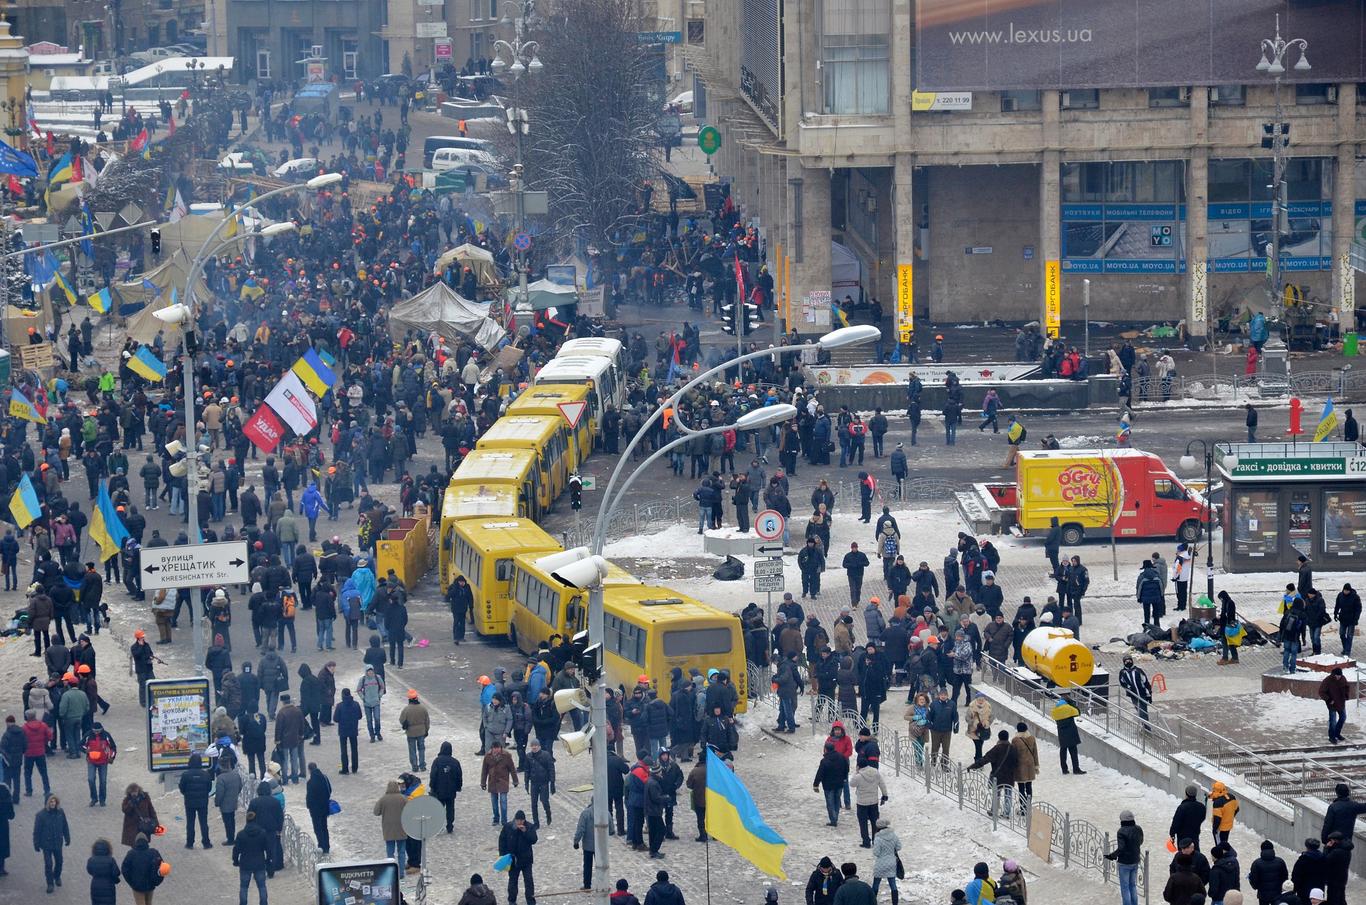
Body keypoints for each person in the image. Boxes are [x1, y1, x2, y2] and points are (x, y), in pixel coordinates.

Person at [499, 809, 539, 905]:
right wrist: (503, 856)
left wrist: (525, 832)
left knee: (529, 881)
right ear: (515, 820)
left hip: (526, 860)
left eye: (522, 820)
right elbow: (502, 841)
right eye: (518, 820)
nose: (520, 822)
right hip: (513, 860)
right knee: (513, 881)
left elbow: (534, 839)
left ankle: (530, 900)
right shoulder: (508, 827)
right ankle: (512, 900)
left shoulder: (529, 826)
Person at [1104, 809, 1144, 905]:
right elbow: (1141, 841)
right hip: (1135, 860)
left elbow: (1121, 848)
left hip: (1124, 863)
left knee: (1125, 888)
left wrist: (1112, 856)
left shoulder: (1121, 831)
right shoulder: (1138, 829)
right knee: (1133, 886)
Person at [33, 793, 70, 893]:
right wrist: (36, 844)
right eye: (51, 802)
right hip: (47, 844)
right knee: (48, 864)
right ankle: (50, 883)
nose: (52, 803)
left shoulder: (60, 812)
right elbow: (36, 831)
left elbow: (65, 826)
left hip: (58, 842)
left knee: (59, 862)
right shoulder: (40, 815)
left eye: (54, 801)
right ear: (47, 803)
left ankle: (57, 876)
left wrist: (67, 838)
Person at [849, 757, 888, 848]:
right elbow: (882, 784)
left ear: (859, 766)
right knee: (875, 822)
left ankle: (866, 841)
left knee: (863, 823)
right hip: (873, 802)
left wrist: (856, 772)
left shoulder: (858, 776)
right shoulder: (875, 772)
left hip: (862, 803)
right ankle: (876, 840)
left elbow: (852, 784)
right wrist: (884, 795)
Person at [178, 751, 214, 849]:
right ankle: (206, 843)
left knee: (190, 823)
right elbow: (209, 788)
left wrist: (186, 794)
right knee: (203, 823)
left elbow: (181, 788)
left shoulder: (186, 775)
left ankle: (190, 843)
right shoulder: (206, 774)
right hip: (203, 802)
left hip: (189, 802)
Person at [121, 832, 164, 905]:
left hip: (137, 887)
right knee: (149, 903)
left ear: (136, 842)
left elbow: (124, 870)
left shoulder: (131, 854)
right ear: (147, 841)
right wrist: (156, 881)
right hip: (150, 885)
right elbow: (162, 868)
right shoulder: (154, 852)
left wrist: (131, 882)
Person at [813, 740, 850, 826]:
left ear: (825, 749)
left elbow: (820, 773)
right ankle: (835, 817)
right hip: (839, 784)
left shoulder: (824, 761)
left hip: (828, 786)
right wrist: (844, 778)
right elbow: (846, 768)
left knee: (830, 803)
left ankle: (833, 820)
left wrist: (816, 785)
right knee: (837, 801)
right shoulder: (841, 757)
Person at [482, 740, 518, 826]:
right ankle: (496, 818)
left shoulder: (506, 756)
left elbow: (512, 769)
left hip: (503, 782)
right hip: (492, 782)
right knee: (494, 803)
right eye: (495, 748)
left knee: (503, 802)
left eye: (498, 748)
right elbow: (484, 771)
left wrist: (515, 780)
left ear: (500, 748)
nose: (496, 750)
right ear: (492, 748)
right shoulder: (488, 756)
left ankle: (504, 820)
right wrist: (483, 782)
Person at [374, 780, 408, 871]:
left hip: (388, 829)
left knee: (390, 852)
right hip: (401, 828)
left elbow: (376, 812)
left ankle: (392, 871)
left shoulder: (383, 799)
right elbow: (410, 811)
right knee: (401, 852)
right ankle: (401, 872)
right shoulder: (403, 798)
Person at [82, 720, 117, 806]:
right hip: (91, 761)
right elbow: (81, 744)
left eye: (98, 731)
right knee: (91, 779)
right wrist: (85, 750)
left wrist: (112, 757)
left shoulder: (106, 735)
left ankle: (102, 800)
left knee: (103, 781)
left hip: (103, 762)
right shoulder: (88, 735)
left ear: (101, 729)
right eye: (95, 731)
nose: (96, 733)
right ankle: (94, 798)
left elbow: (113, 747)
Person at [870, 817, 902, 905]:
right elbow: (899, 847)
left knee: (876, 884)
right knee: (893, 885)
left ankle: (872, 902)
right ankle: (895, 903)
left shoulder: (878, 838)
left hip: (881, 863)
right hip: (892, 862)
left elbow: (876, 852)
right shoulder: (894, 835)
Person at [1246, 840, 1287, 905]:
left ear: (1261, 850)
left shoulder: (1256, 863)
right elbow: (1285, 878)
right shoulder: (1280, 862)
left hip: (1263, 895)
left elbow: (1254, 881)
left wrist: (1254, 885)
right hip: (1277, 895)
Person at [215, 753, 244, 845]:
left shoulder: (221, 778)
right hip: (233, 801)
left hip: (224, 804)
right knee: (232, 820)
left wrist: (217, 802)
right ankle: (232, 837)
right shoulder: (236, 775)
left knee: (227, 822)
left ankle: (230, 839)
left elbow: (220, 793)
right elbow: (240, 786)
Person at [1052, 696, 1085, 775]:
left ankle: (1064, 769)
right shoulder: (1068, 708)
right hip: (1071, 732)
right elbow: (1077, 712)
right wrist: (1072, 704)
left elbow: (1053, 717)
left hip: (1062, 733)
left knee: (1063, 750)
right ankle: (1076, 769)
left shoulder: (1055, 710)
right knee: (1073, 751)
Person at [400, 689, 431, 771]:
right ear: (416, 698)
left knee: (412, 750)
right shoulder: (423, 708)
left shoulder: (406, 709)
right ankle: (422, 765)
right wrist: (426, 730)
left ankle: (414, 766)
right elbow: (427, 721)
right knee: (421, 749)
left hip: (410, 733)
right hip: (421, 731)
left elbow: (401, 720)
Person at [304, 763, 332, 853]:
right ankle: (327, 846)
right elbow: (329, 789)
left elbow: (310, 797)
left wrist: (309, 806)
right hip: (324, 806)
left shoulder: (310, 782)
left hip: (315, 809)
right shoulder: (324, 778)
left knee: (317, 828)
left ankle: (321, 845)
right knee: (324, 827)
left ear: (309, 770)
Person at [1170, 784, 1207, 852]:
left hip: (1182, 836)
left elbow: (1176, 822)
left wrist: (1172, 833)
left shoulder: (1182, 807)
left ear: (1186, 794)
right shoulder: (1201, 807)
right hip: (1195, 834)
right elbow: (1203, 818)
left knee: (1183, 854)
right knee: (1195, 853)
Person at [333, 687, 362, 774]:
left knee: (344, 750)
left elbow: (335, 719)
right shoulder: (356, 704)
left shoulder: (340, 706)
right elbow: (360, 716)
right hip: (353, 729)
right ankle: (354, 768)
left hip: (343, 731)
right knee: (354, 749)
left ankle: (345, 769)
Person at [1318, 667, 1350, 744]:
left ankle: (1337, 733)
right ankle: (1332, 737)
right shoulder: (1328, 680)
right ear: (1334, 674)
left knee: (1343, 718)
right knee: (1333, 721)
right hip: (1332, 704)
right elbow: (1321, 692)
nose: (1339, 677)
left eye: (1340, 676)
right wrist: (1329, 700)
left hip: (1341, 702)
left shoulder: (1343, 678)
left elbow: (1347, 687)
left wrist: (1346, 695)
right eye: (1337, 676)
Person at [1119, 655, 1153, 725]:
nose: (1128, 662)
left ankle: (1145, 726)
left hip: (1142, 694)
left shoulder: (1138, 670)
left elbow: (1145, 682)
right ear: (1124, 662)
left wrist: (1149, 694)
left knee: (1144, 711)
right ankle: (1146, 727)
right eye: (1126, 661)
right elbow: (1122, 682)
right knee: (1141, 711)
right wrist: (1128, 687)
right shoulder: (1123, 672)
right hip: (1133, 696)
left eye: (1129, 660)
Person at [1292, 839, 1329, 904]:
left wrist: (1294, 890)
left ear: (1307, 847)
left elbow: (1296, 877)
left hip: (1304, 891)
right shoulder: (1323, 859)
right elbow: (1326, 874)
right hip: (1318, 891)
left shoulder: (1303, 860)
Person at [86, 837, 122, 905]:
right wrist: (116, 880)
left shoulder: (91, 860)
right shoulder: (111, 860)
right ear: (108, 849)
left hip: (95, 886)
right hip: (109, 886)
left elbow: (89, 870)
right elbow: (116, 872)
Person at [1208, 781, 1239, 848]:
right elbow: (1237, 809)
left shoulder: (1217, 803)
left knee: (1219, 845)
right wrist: (1230, 817)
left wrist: (1214, 829)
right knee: (1224, 842)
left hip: (1220, 828)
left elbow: (1217, 819)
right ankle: (1225, 855)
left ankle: (1221, 857)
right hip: (1228, 825)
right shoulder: (1231, 797)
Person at [572, 803, 596, 890]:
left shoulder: (585, 814)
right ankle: (602, 883)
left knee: (587, 866)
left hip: (588, 845)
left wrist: (576, 841)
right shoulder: (605, 812)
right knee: (601, 866)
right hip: (601, 845)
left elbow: (580, 829)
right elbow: (611, 829)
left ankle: (587, 885)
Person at [1333, 584, 1360, 656]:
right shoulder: (1340, 595)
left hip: (1352, 619)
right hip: (1343, 618)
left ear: (1350, 590)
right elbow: (1337, 605)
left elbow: (1358, 609)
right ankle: (1345, 648)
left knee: (1349, 635)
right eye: (1344, 590)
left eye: (1347, 590)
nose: (1345, 592)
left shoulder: (1355, 597)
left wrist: (1356, 618)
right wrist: (1335, 614)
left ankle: (1347, 651)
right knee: (1341, 634)